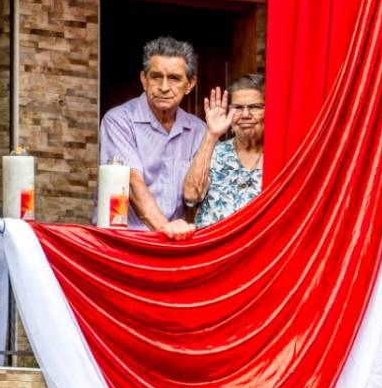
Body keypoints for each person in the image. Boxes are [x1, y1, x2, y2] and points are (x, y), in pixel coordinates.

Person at [99, 37, 205, 240]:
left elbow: (196, 195)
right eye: (156, 77)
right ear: (144, 80)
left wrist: (212, 136)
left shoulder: (199, 131)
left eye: (174, 78)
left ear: (190, 84)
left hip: (172, 243)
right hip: (125, 242)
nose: (164, 87)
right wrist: (166, 228)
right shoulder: (119, 121)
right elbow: (132, 183)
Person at [183, 74, 266, 227]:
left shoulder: (280, 155)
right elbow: (191, 195)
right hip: (214, 248)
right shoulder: (215, 153)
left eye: (254, 107)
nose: (245, 115)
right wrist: (211, 134)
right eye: (238, 108)